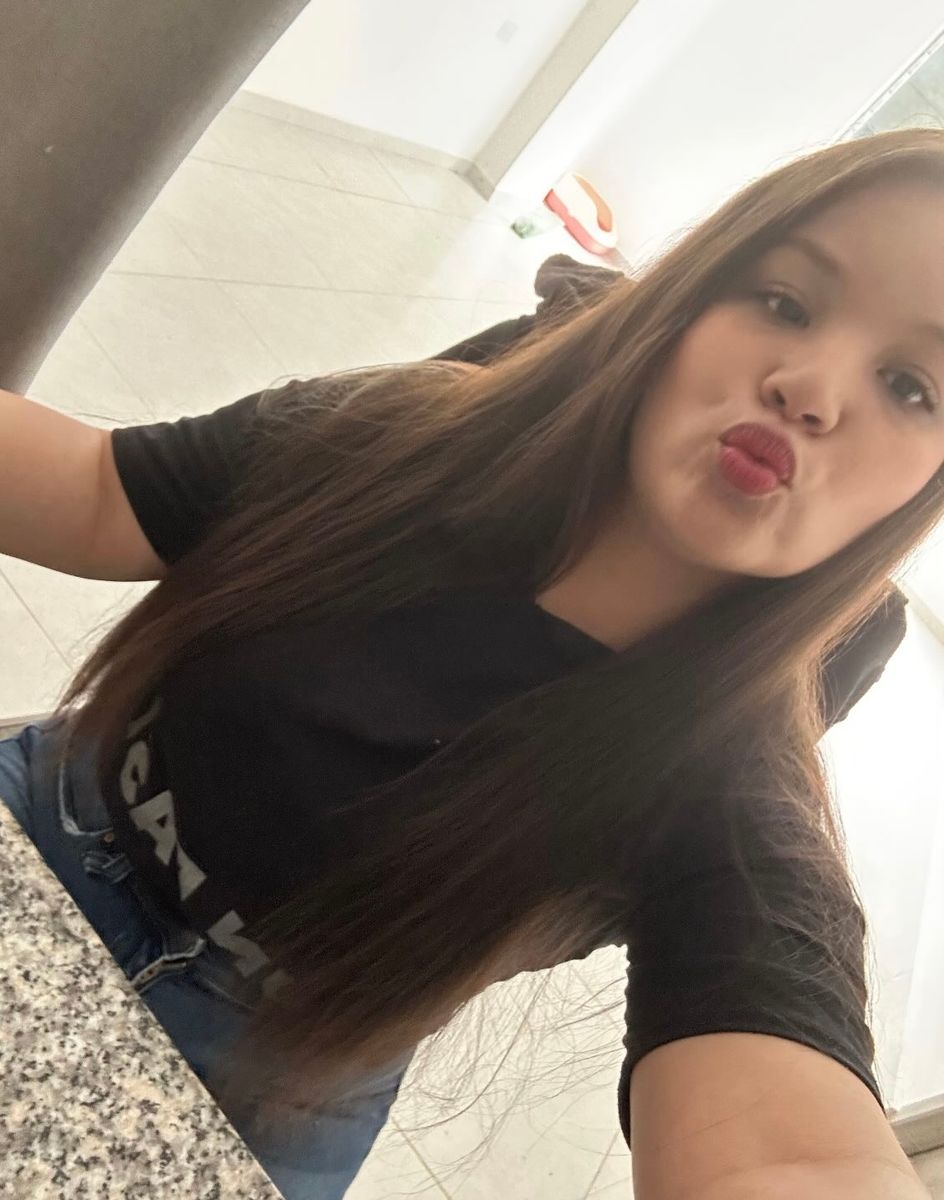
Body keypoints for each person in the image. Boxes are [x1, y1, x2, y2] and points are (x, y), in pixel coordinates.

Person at [1, 127, 941, 1200]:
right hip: (48, 819)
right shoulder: (398, 441)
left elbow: (792, 1149)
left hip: (268, 1083)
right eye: (783, 301)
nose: (809, 388)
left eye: (911, 386)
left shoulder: (729, 779)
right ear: (686, 298)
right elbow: (98, 491)